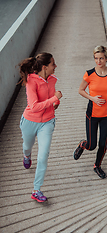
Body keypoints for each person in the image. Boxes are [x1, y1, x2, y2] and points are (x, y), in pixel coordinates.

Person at [18, 52, 62, 202]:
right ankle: (26, 155)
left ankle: (36, 190)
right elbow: (34, 106)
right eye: (53, 64)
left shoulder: (53, 80)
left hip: (47, 122)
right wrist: (55, 98)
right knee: (27, 145)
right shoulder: (31, 81)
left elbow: (51, 102)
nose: (55, 66)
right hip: (30, 121)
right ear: (45, 67)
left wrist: (56, 103)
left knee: (43, 156)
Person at [73, 45, 107, 179]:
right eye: (96, 58)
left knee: (103, 144)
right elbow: (80, 90)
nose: (98, 61)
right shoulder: (89, 74)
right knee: (92, 145)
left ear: (106, 58)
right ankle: (83, 145)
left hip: (106, 114)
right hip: (92, 114)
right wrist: (92, 98)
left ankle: (97, 166)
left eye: (101, 58)